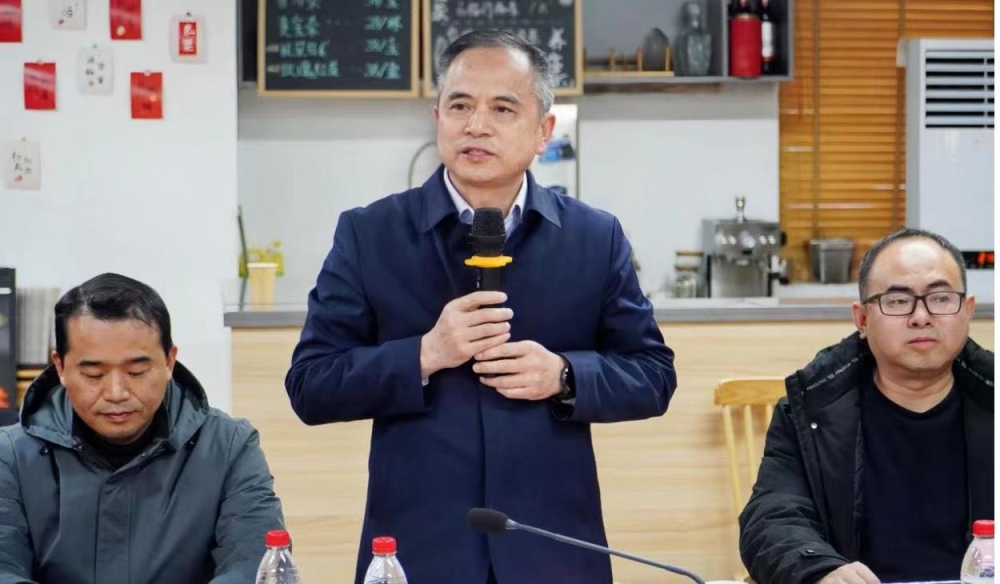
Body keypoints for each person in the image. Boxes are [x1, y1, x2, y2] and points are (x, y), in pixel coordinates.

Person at [285, 30, 676, 584]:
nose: (476, 125)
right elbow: (311, 385)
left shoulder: (594, 237)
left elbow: (653, 376)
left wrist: (564, 375)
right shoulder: (370, 234)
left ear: (543, 131)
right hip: (417, 553)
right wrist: (423, 354)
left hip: (552, 548)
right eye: (460, 106)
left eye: (502, 109)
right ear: (437, 117)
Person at [739, 228, 993, 583]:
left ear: (968, 311)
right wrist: (820, 569)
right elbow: (772, 518)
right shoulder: (811, 410)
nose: (921, 316)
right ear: (862, 319)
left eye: (940, 298)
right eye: (897, 301)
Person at [0, 273, 285, 583]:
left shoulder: (229, 447)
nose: (116, 393)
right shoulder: (11, 456)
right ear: (60, 367)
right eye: (94, 375)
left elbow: (255, 565)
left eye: (136, 371)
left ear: (169, 361)